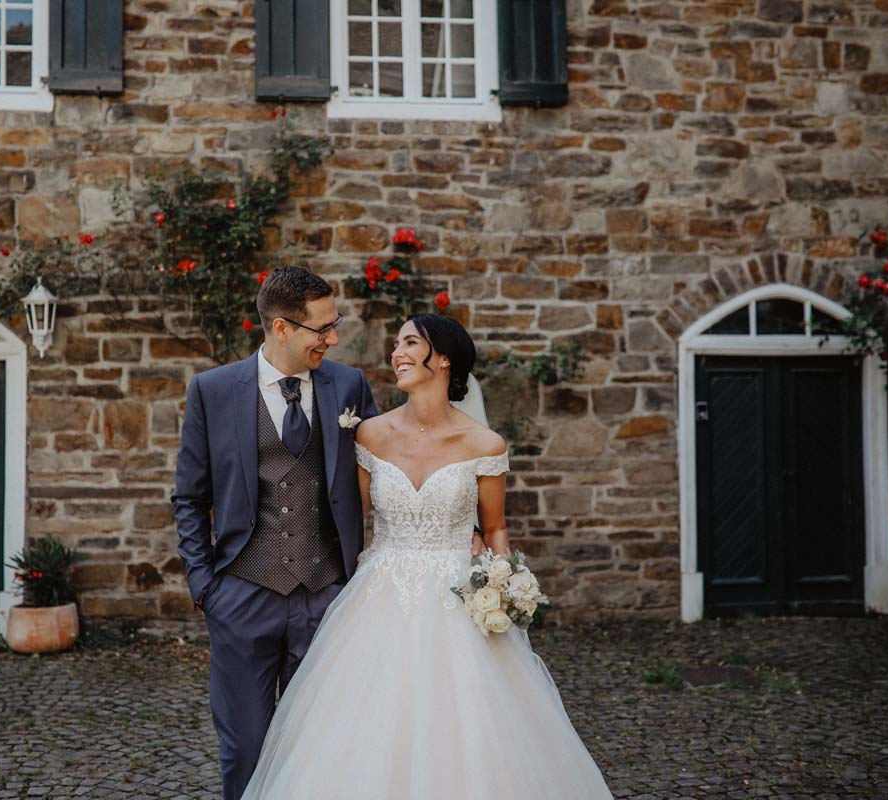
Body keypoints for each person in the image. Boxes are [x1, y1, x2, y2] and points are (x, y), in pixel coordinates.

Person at [240, 315, 615, 799]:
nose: (396, 352)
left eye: (410, 343)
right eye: (397, 343)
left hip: (457, 598)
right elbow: (349, 517)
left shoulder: (484, 444)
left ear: (443, 359)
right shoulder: (370, 434)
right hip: (378, 597)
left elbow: (495, 528)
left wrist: (503, 586)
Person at [172, 266, 379, 800]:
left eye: (334, 325)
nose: (332, 339)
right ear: (282, 328)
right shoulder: (214, 391)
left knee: (325, 746)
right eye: (322, 329)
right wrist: (205, 587)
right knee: (245, 748)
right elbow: (190, 497)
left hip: (327, 596)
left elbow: (388, 469)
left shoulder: (348, 386)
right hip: (241, 596)